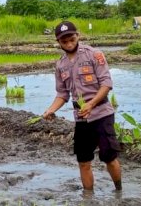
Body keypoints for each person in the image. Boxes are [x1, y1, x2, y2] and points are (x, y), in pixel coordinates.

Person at [42, 21, 122, 192]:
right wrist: (51, 110)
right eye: (64, 42)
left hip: (101, 113)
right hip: (81, 118)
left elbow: (106, 84)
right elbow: (62, 94)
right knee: (83, 161)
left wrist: (92, 104)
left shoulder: (94, 54)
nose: (69, 44)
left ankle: (119, 191)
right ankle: (88, 197)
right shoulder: (60, 65)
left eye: (72, 39)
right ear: (58, 43)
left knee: (109, 157)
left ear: (78, 36)